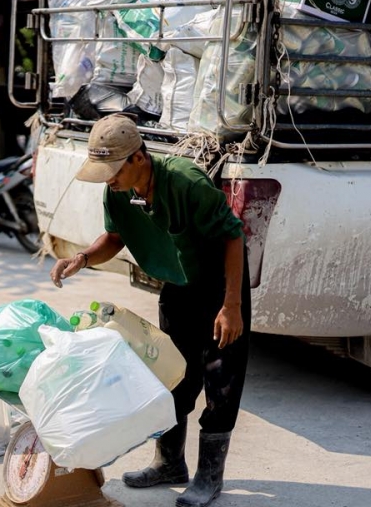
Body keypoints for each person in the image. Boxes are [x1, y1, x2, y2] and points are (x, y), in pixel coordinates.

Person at [49, 113, 251, 507]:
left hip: (219, 286)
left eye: (113, 170)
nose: (108, 179)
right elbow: (115, 236)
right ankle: (169, 463)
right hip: (177, 284)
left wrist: (232, 305)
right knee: (170, 376)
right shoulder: (118, 191)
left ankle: (210, 477)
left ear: (138, 158)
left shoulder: (186, 182)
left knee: (221, 380)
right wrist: (83, 258)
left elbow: (233, 237)